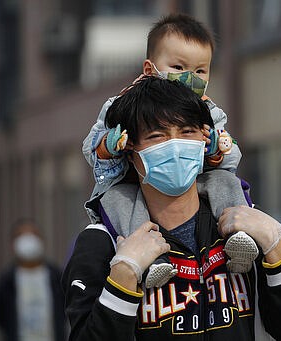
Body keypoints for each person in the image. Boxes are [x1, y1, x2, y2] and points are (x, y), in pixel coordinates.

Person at [63, 76, 281, 340]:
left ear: (204, 138)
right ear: (130, 148)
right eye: (157, 136)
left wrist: (278, 246)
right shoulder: (104, 240)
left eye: (187, 132)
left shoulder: (242, 226)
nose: (176, 146)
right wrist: (124, 273)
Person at [82, 13, 258, 288]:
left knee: (225, 181)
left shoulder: (209, 111)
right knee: (118, 200)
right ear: (150, 68)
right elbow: (92, 148)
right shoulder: (126, 104)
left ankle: (238, 235)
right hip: (135, 183)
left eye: (201, 70)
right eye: (178, 66)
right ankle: (151, 261)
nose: (190, 77)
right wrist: (109, 143)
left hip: (194, 184)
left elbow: (231, 156)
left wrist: (215, 152)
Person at [0, 218, 66, 341]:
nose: (28, 240)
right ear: (13, 243)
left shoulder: (57, 277)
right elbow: (0, 316)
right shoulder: (5, 281)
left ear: (42, 240)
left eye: (33, 234)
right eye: (21, 235)